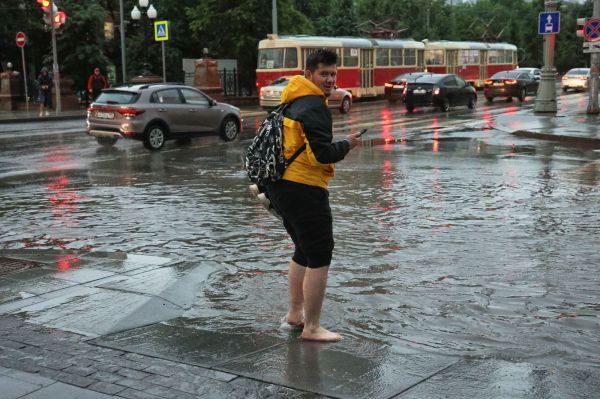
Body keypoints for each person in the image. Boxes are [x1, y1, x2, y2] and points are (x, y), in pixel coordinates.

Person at [264, 49, 362, 342]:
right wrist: (348, 144)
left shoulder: (292, 100)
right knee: (320, 254)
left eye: (333, 74)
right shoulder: (314, 106)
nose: (330, 80)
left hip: (281, 186)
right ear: (309, 74)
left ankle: (295, 315)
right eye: (324, 74)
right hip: (304, 188)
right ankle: (313, 327)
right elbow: (320, 154)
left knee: (302, 251)